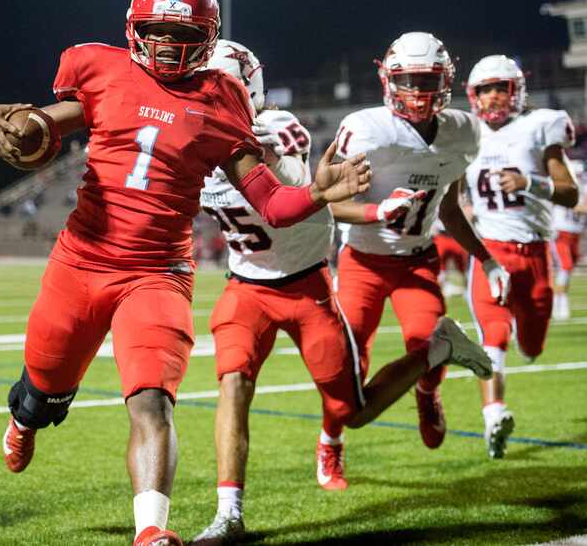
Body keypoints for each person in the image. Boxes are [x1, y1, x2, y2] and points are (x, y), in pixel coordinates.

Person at [0, 0, 370, 545]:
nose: (164, 45)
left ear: (207, 40)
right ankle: (26, 417)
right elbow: (28, 122)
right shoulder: (103, 70)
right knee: (43, 392)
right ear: (135, 29)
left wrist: (320, 192)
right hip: (81, 262)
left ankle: (151, 531)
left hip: (157, 273)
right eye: (156, 31)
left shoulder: (220, 100)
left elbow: (274, 206)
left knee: (153, 402)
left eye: (179, 34)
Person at [192, 39, 494, 544]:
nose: (207, 100)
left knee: (351, 412)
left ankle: (436, 352)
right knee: (233, 385)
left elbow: (285, 195)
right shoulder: (190, 139)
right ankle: (228, 514)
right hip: (244, 286)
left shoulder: (278, 129)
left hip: (307, 285)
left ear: (247, 89)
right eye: (201, 91)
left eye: (217, 90)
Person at [326, 33, 511, 461]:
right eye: (407, 79)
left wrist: (486, 258)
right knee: (342, 370)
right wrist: (376, 213)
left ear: (446, 81)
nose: (417, 91)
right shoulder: (365, 129)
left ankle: (428, 391)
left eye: (427, 80)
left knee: (424, 340)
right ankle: (329, 440)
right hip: (362, 261)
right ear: (387, 79)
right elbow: (331, 204)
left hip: (416, 259)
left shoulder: (463, 132)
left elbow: (448, 204)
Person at [464, 55, 579, 458]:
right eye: (484, 89)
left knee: (532, 345)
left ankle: (499, 401)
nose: (492, 97)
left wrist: (529, 182)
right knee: (493, 335)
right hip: (490, 251)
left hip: (534, 253)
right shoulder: (467, 133)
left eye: (501, 87)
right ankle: (493, 414)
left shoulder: (538, 126)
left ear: (517, 91)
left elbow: (570, 193)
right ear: (472, 95)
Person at [551, 160, 587, 320]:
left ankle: (558, 301)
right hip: (561, 233)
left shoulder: (584, 189)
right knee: (565, 267)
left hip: (575, 234)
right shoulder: (563, 188)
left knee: (567, 270)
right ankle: (560, 303)